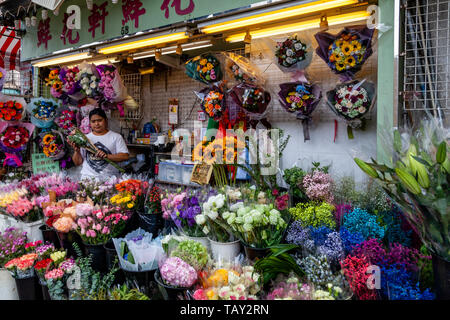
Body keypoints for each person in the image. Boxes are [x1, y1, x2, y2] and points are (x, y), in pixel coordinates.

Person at [67, 108, 129, 180]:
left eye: (99, 120)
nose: (96, 124)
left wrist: (107, 156)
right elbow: (78, 163)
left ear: (106, 120)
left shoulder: (116, 137)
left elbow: (125, 156)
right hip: (87, 178)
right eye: (93, 121)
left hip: (110, 178)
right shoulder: (85, 139)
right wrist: (77, 151)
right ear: (90, 123)